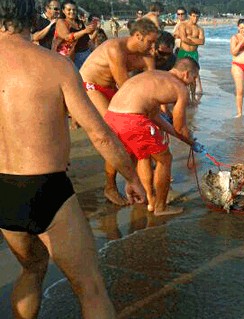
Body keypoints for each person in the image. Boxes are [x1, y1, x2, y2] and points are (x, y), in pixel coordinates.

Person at [0, 1, 146, 318]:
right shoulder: (54, 65)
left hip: (2, 190)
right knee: (90, 286)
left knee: (32, 268)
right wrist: (131, 178)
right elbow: (100, 135)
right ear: (32, 18)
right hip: (46, 187)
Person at [104, 58, 199, 215]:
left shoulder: (154, 76)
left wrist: (182, 137)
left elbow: (155, 117)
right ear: (186, 73)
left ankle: (132, 190)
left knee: (136, 154)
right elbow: (180, 127)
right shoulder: (179, 88)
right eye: (194, 78)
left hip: (112, 115)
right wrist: (190, 141)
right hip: (133, 120)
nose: (193, 82)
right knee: (165, 159)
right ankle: (161, 207)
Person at [80, 18, 158, 205]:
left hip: (111, 88)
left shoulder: (146, 55)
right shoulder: (115, 49)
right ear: (138, 36)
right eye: (150, 42)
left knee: (133, 131)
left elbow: (152, 85)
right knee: (117, 133)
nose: (153, 47)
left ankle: (138, 179)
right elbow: (125, 88)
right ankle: (110, 187)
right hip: (91, 86)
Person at [53, 0, 97, 69]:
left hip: (86, 53)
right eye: (69, 10)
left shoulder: (80, 22)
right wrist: (84, 31)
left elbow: (87, 41)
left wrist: (96, 51)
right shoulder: (61, 22)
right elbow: (67, 37)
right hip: (71, 57)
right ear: (63, 11)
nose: (72, 12)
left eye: (74, 10)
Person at [173, 7, 204, 98]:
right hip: (183, 52)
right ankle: (181, 96)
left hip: (193, 53)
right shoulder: (183, 26)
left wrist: (190, 39)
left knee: (193, 76)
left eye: (197, 17)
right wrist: (194, 40)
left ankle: (193, 97)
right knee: (180, 74)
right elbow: (183, 39)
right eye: (194, 16)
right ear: (190, 16)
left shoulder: (199, 29)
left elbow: (202, 41)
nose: (195, 19)